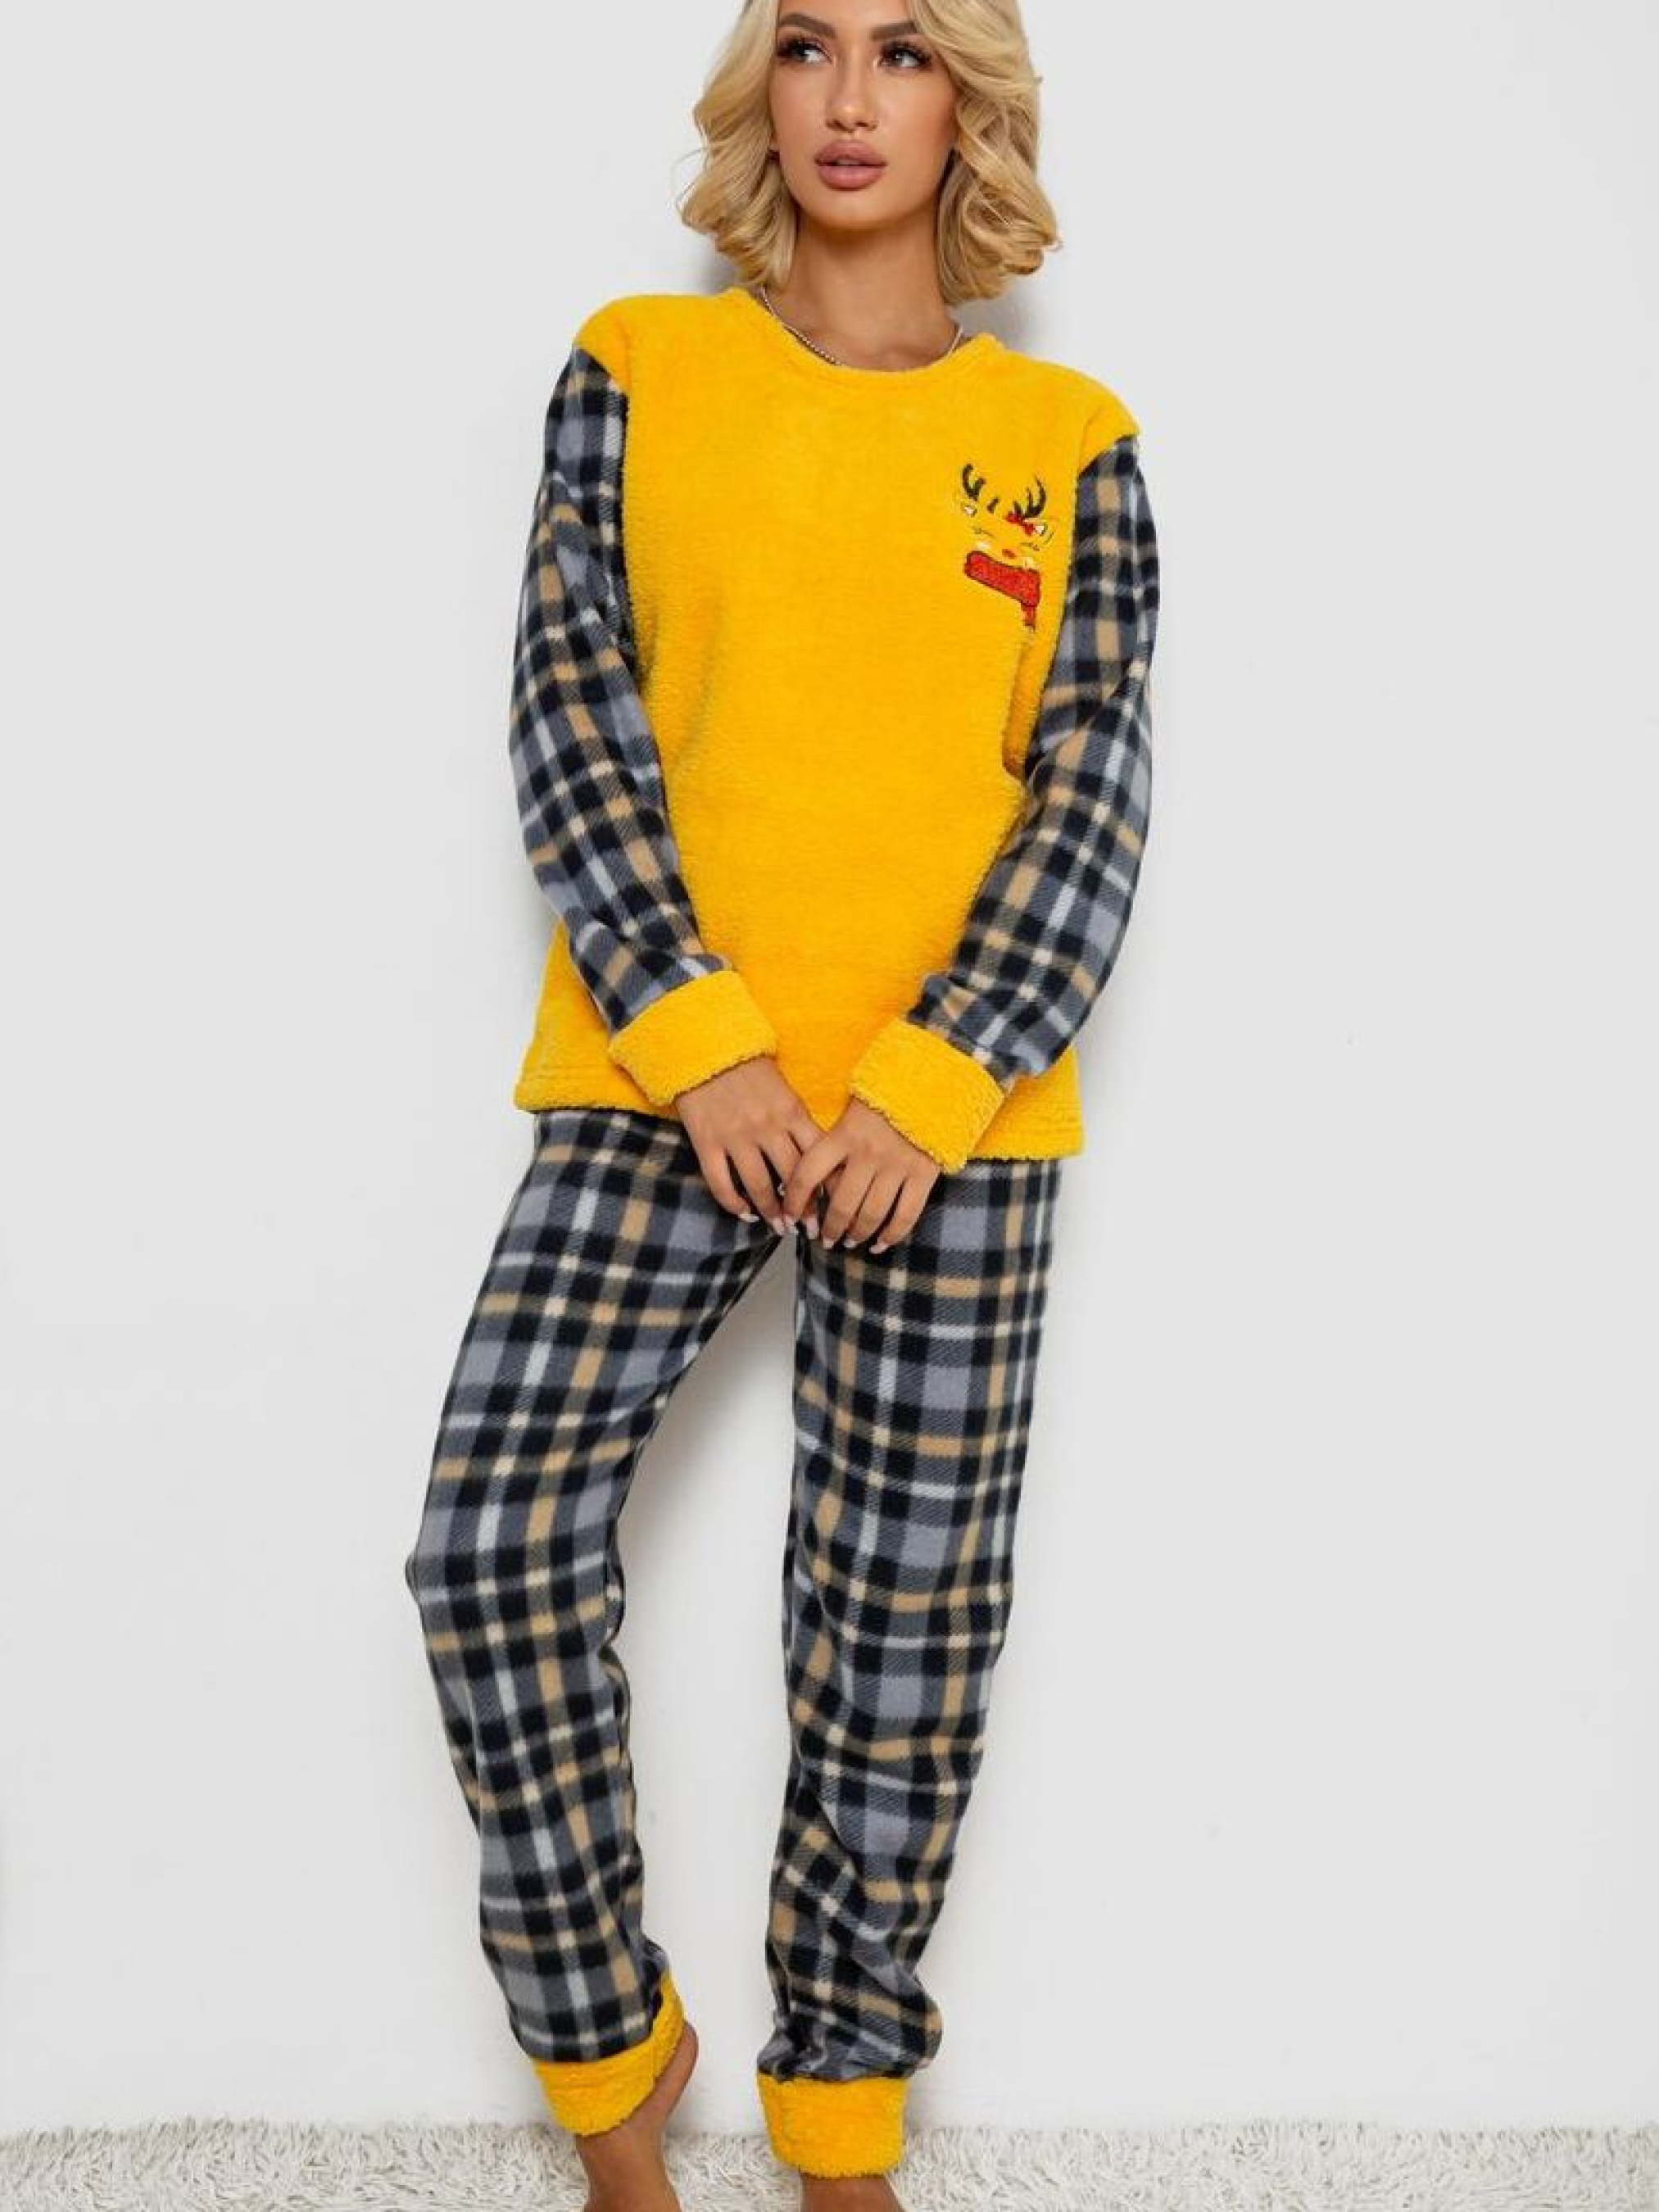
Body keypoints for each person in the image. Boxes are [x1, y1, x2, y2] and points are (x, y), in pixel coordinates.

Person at [401, 1, 1161, 2205]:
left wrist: (930, 1082)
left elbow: (1089, 793)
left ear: (968, 103)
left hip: (952, 1119)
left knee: (898, 1629)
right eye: (808, 43)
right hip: (667, 1081)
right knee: (488, 1544)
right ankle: (609, 2069)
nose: (848, 96)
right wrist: (702, 1036)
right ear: (761, 89)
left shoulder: (1067, 440)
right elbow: (572, 714)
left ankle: (839, 2132)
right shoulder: (637, 372)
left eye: (905, 50)